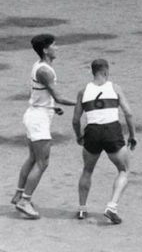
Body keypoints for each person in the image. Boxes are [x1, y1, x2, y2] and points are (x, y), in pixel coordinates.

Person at [12, 34, 76, 219]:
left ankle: (19, 195)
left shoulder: (39, 66)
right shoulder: (45, 71)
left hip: (36, 115)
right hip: (38, 120)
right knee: (42, 162)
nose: (57, 48)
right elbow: (59, 97)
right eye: (54, 45)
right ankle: (25, 201)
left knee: (33, 158)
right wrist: (83, 103)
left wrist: (51, 107)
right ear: (46, 50)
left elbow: (41, 94)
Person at [71, 59, 136, 224]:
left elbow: (76, 120)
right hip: (111, 130)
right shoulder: (115, 88)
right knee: (123, 170)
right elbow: (128, 113)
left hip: (92, 132)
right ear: (106, 72)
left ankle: (82, 209)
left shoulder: (83, 91)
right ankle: (111, 207)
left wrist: (79, 136)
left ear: (93, 72)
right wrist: (132, 136)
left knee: (87, 170)